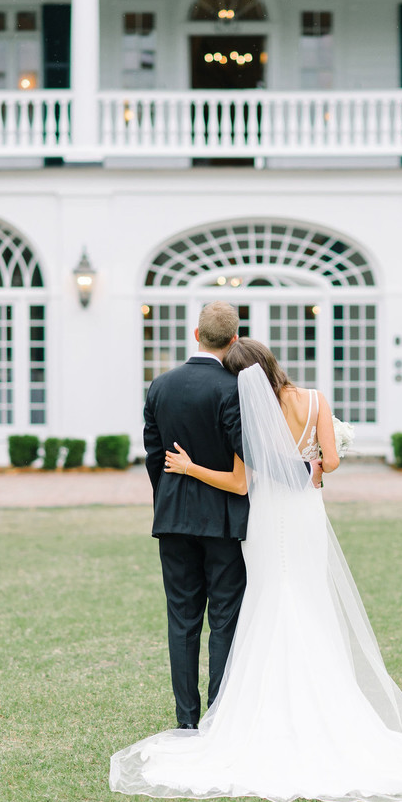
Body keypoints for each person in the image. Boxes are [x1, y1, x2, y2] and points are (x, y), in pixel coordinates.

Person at [111, 339, 402, 802]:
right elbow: (327, 462)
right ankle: (326, 704)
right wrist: (313, 464)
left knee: (266, 600)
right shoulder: (315, 400)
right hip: (306, 517)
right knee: (307, 599)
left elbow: (240, 481)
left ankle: (232, 712)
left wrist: (188, 467)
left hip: (267, 520)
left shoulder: (254, 415)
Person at [141, 301, 248, 730]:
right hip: (224, 522)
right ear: (234, 340)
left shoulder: (160, 386)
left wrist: (169, 499)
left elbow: (154, 457)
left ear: (196, 334)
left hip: (173, 517)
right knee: (224, 618)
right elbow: (246, 456)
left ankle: (186, 723)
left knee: (182, 620)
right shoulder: (233, 388)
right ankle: (218, 719)